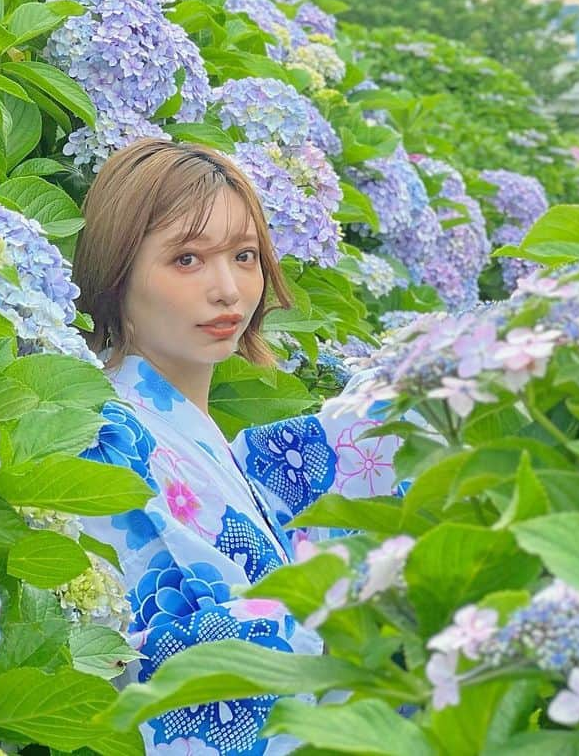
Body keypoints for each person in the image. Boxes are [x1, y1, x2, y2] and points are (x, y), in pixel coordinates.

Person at [75, 138, 400, 756]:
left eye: (245, 255)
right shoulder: (109, 437)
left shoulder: (201, 441)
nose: (228, 290)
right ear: (115, 273)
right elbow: (156, 651)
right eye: (188, 259)